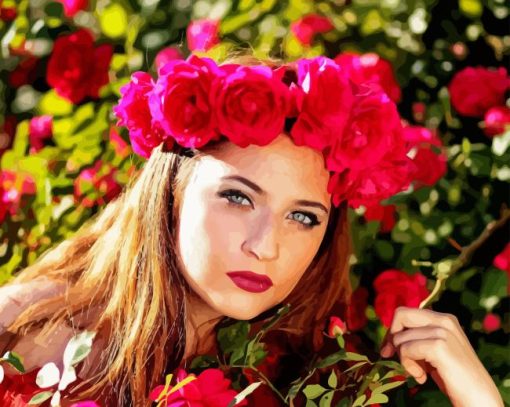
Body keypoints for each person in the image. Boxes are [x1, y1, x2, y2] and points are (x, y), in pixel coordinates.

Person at [0, 53, 503, 407]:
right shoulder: (20, 333)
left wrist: (479, 399)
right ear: (170, 191)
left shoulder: (307, 380)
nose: (265, 247)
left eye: (303, 217)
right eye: (238, 198)